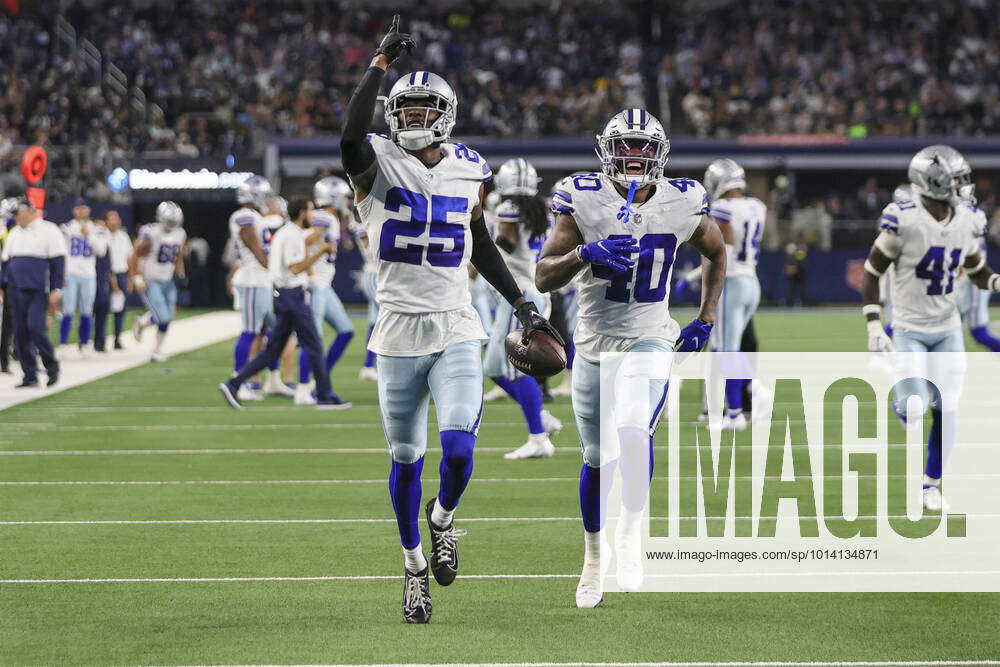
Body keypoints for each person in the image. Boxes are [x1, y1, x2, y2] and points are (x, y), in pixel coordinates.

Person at [340, 16, 561, 624]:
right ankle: (412, 566)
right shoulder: (375, 160)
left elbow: (481, 240)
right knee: (407, 458)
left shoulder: (469, 166)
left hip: (457, 325)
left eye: (422, 110)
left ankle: (442, 521)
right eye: (403, 109)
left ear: (443, 114)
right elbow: (348, 135)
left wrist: (521, 304)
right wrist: (378, 66)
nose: (410, 118)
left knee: (459, 453)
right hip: (397, 333)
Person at [535, 108, 726, 608]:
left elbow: (717, 251)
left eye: (645, 147)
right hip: (594, 342)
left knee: (634, 432)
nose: (636, 157)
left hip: (650, 338)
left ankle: (631, 533)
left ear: (660, 153)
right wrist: (586, 255)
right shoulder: (581, 196)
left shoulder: (683, 200)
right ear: (606, 150)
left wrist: (705, 318)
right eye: (627, 146)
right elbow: (542, 276)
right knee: (598, 457)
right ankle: (593, 559)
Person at [861, 144, 1000, 511]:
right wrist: (875, 324)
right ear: (933, 181)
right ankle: (902, 404)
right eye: (956, 178)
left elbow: (975, 268)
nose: (963, 185)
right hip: (908, 326)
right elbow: (872, 272)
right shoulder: (904, 218)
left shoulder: (967, 219)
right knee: (913, 405)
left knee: (948, 406)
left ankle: (931, 483)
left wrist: (996, 282)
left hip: (948, 327)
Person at [219, 196, 348, 410]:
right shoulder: (292, 235)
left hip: (284, 295)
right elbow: (295, 268)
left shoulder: (289, 233)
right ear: (302, 213)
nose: (314, 215)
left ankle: (233, 384)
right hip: (291, 295)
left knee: (273, 350)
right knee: (314, 344)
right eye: (310, 211)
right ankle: (325, 395)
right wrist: (322, 252)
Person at [483, 158, 562, 459]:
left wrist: (477, 238)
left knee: (514, 369)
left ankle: (538, 437)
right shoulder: (541, 208)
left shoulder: (510, 209)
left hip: (520, 296)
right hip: (535, 292)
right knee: (492, 367)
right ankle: (540, 418)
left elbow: (504, 242)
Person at [702, 157, 766, 429]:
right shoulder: (757, 205)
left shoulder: (722, 208)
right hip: (752, 281)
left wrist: (693, 277)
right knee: (733, 348)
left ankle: (736, 414)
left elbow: (723, 253)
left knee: (726, 350)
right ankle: (755, 394)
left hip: (733, 282)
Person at [294, 176, 356, 405]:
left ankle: (319, 380)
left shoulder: (330, 217)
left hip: (324, 286)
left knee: (345, 331)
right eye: (344, 197)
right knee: (313, 338)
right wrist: (307, 272)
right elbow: (301, 240)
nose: (347, 201)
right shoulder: (323, 217)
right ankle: (303, 389)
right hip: (315, 286)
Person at [0, 197, 66, 387]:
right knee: (20, 333)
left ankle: (52, 367)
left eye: (18, 213)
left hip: (38, 289)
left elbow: (58, 263)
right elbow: (6, 264)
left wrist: (57, 288)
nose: (16, 218)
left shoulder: (49, 230)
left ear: (30, 211)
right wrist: (3, 287)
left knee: (36, 328)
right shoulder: (14, 233)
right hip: (15, 289)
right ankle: (29, 375)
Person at [228, 175, 276, 401]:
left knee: (274, 332)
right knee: (250, 331)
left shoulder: (256, 216)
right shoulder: (243, 215)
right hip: (252, 279)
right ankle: (237, 382)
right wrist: (273, 270)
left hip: (262, 280)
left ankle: (273, 379)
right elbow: (254, 246)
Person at [128, 201, 186, 362]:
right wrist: (136, 277)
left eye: (175, 221)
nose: (173, 224)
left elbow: (178, 255)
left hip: (168, 279)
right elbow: (134, 255)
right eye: (170, 220)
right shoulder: (152, 233)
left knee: (168, 317)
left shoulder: (180, 233)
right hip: (151, 280)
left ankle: (155, 347)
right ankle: (144, 323)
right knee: (163, 317)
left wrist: (181, 274)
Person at [59, 198, 107, 356]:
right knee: (68, 309)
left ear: (89, 210)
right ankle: (63, 344)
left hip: (88, 274)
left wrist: (89, 236)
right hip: (71, 273)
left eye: (84, 208)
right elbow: (60, 251)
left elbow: (101, 251)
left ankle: (85, 343)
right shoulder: (66, 228)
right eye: (78, 208)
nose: (81, 211)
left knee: (87, 310)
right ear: (74, 211)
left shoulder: (97, 229)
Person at [91, 216, 113, 352]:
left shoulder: (106, 241)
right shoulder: (90, 241)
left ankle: (100, 341)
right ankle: (85, 341)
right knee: (87, 312)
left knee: (102, 310)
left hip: (102, 280)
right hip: (90, 278)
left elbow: (109, 265)